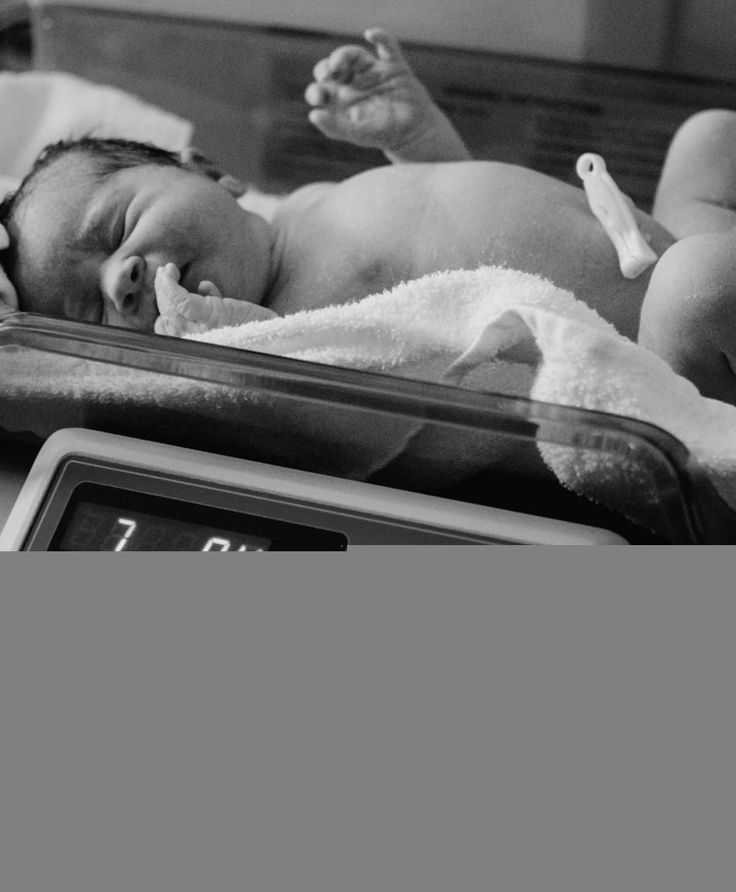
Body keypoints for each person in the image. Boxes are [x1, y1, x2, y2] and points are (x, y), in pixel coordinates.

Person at [2, 28, 736, 404]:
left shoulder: (310, 205)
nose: (122, 278)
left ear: (210, 173)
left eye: (113, 228)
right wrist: (223, 349)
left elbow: (452, 204)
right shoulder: (282, 344)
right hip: (658, 360)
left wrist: (415, 140)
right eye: (89, 309)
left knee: (709, 137)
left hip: (646, 240)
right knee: (703, 282)